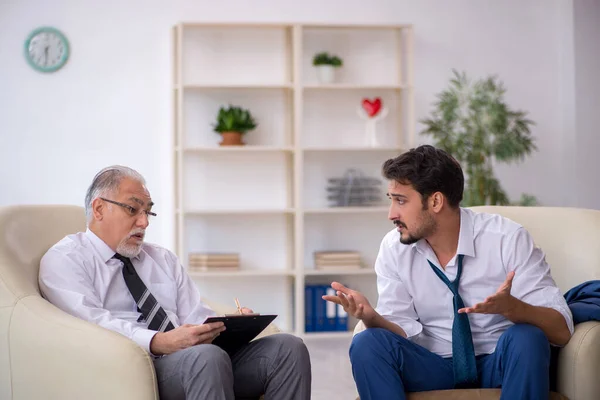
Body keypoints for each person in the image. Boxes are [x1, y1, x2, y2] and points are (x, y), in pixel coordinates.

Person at [39, 165, 311, 400]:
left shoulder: (161, 259)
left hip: (197, 362)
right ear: (99, 208)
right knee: (207, 358)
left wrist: (225, 327)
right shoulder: (66, 259)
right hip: (135, 368)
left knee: (288, 347)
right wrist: (159, 341)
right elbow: (93, 324)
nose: (144, 222)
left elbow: (194, 315)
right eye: (133, 209)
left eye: (149, 212)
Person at [323, 145, 573, 400]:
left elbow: (562, 331)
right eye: (392, 200)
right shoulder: (394, 247)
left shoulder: (507, 239)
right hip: (431, 365)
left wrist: (514, 309)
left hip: (498, 363)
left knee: (527, 337)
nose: (391, 214)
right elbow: (401, 329)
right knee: (368, 342)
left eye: (401, 200)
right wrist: (371, 316)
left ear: (435, 201)